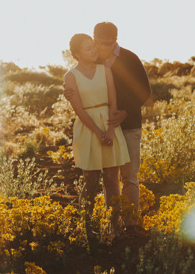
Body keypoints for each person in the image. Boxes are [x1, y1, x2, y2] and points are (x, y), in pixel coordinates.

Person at [66, 22, 151, 232]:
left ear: (115, 41)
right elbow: (79, 80)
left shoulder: (130, 59)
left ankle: (130, 224)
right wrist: (69, 90)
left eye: (108, 44)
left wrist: (124, 113)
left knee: (129, 176)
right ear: (94, 40)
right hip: (102, 125)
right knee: (107, 178)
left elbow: (144, 93)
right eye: (98, 44)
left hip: (128, 124)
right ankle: (110, 224)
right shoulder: (95, 57)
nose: (102, 48)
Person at [63, 34, 131, 226]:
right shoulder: (70, 76)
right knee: (91, 181)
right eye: (88, 48)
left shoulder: (105, 69)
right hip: (88, 128)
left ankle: (114, 227)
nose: (93, 50)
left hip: (109, 124)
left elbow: (113, 100)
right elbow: (78, 109)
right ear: (77, 54)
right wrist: (98, 132)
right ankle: (87, 226)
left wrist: (109, 131)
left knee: (112, 181)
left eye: (93, 46)